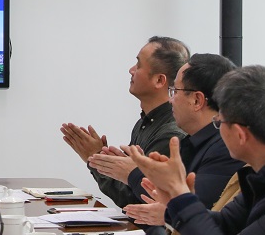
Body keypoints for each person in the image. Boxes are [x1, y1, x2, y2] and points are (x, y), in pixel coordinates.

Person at [129, 65, 265, 235]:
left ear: (240, 134)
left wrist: (182, 197)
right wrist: (175, 204)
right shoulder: (257, 177)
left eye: (220, 122)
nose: (218, 129)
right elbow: (224, 225)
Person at [60, 36, 189, 208]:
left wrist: (96, 158)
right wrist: (104, 160)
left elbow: (134, 198)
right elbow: (127, 185)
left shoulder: (170, 135)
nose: (131, 70)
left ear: (159, 80)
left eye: (138, 65)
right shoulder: (145, 123)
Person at [124, 53, 244, 229]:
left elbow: (196, 213)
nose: (170, 100)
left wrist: (133, 173)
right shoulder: (191, 142)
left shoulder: (225, 148)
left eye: (174, 91)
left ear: (197, 100)